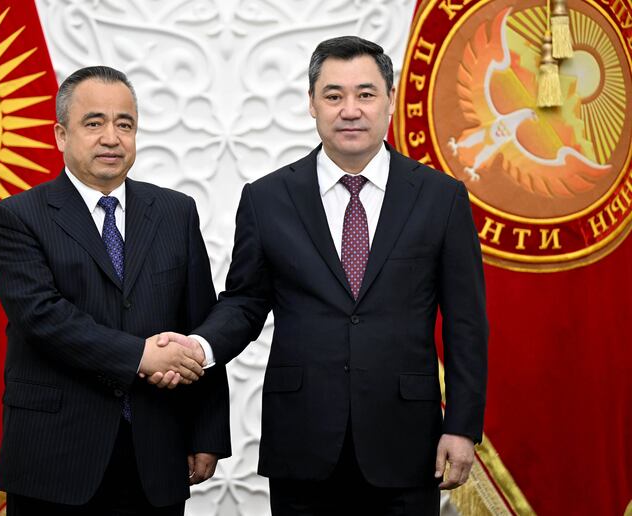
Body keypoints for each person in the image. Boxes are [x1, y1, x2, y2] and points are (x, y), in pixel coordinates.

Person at [153, 36, 488, 514]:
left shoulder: (440, 197)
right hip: (303, 443)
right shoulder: (268, 198)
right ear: (312, 103)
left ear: (390, 100)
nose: (350, 109)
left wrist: (461, 425)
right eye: (334, 95)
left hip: (406, 443)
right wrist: (198, 349)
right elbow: (245, 302)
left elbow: (466, 324)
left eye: (366, 94)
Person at [0, 66, 230, 515]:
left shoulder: (175, 212)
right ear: (61, 135)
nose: (111, 138)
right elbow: (44, 317)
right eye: (94, 123)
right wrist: (141, 356)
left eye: (125, 124)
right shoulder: (18, 217)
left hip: (155, 453)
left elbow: (200, 322)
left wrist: (207, 435)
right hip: (55, 457)